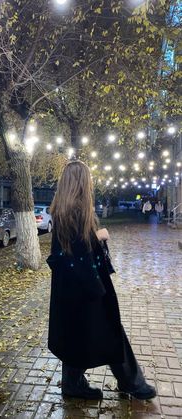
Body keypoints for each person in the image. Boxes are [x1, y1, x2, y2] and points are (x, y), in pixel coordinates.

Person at [47, 161, 156, 401]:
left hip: (73, 285)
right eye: (88, 179)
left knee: (78, 333)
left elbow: (70, 250)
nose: (91, 183)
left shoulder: (62, 209)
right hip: (87, 284)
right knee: (111, 331)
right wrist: (99, 236)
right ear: (80, 183)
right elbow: (78, 250)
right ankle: (131, 382)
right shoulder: (75, 210)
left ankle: (73, 383)